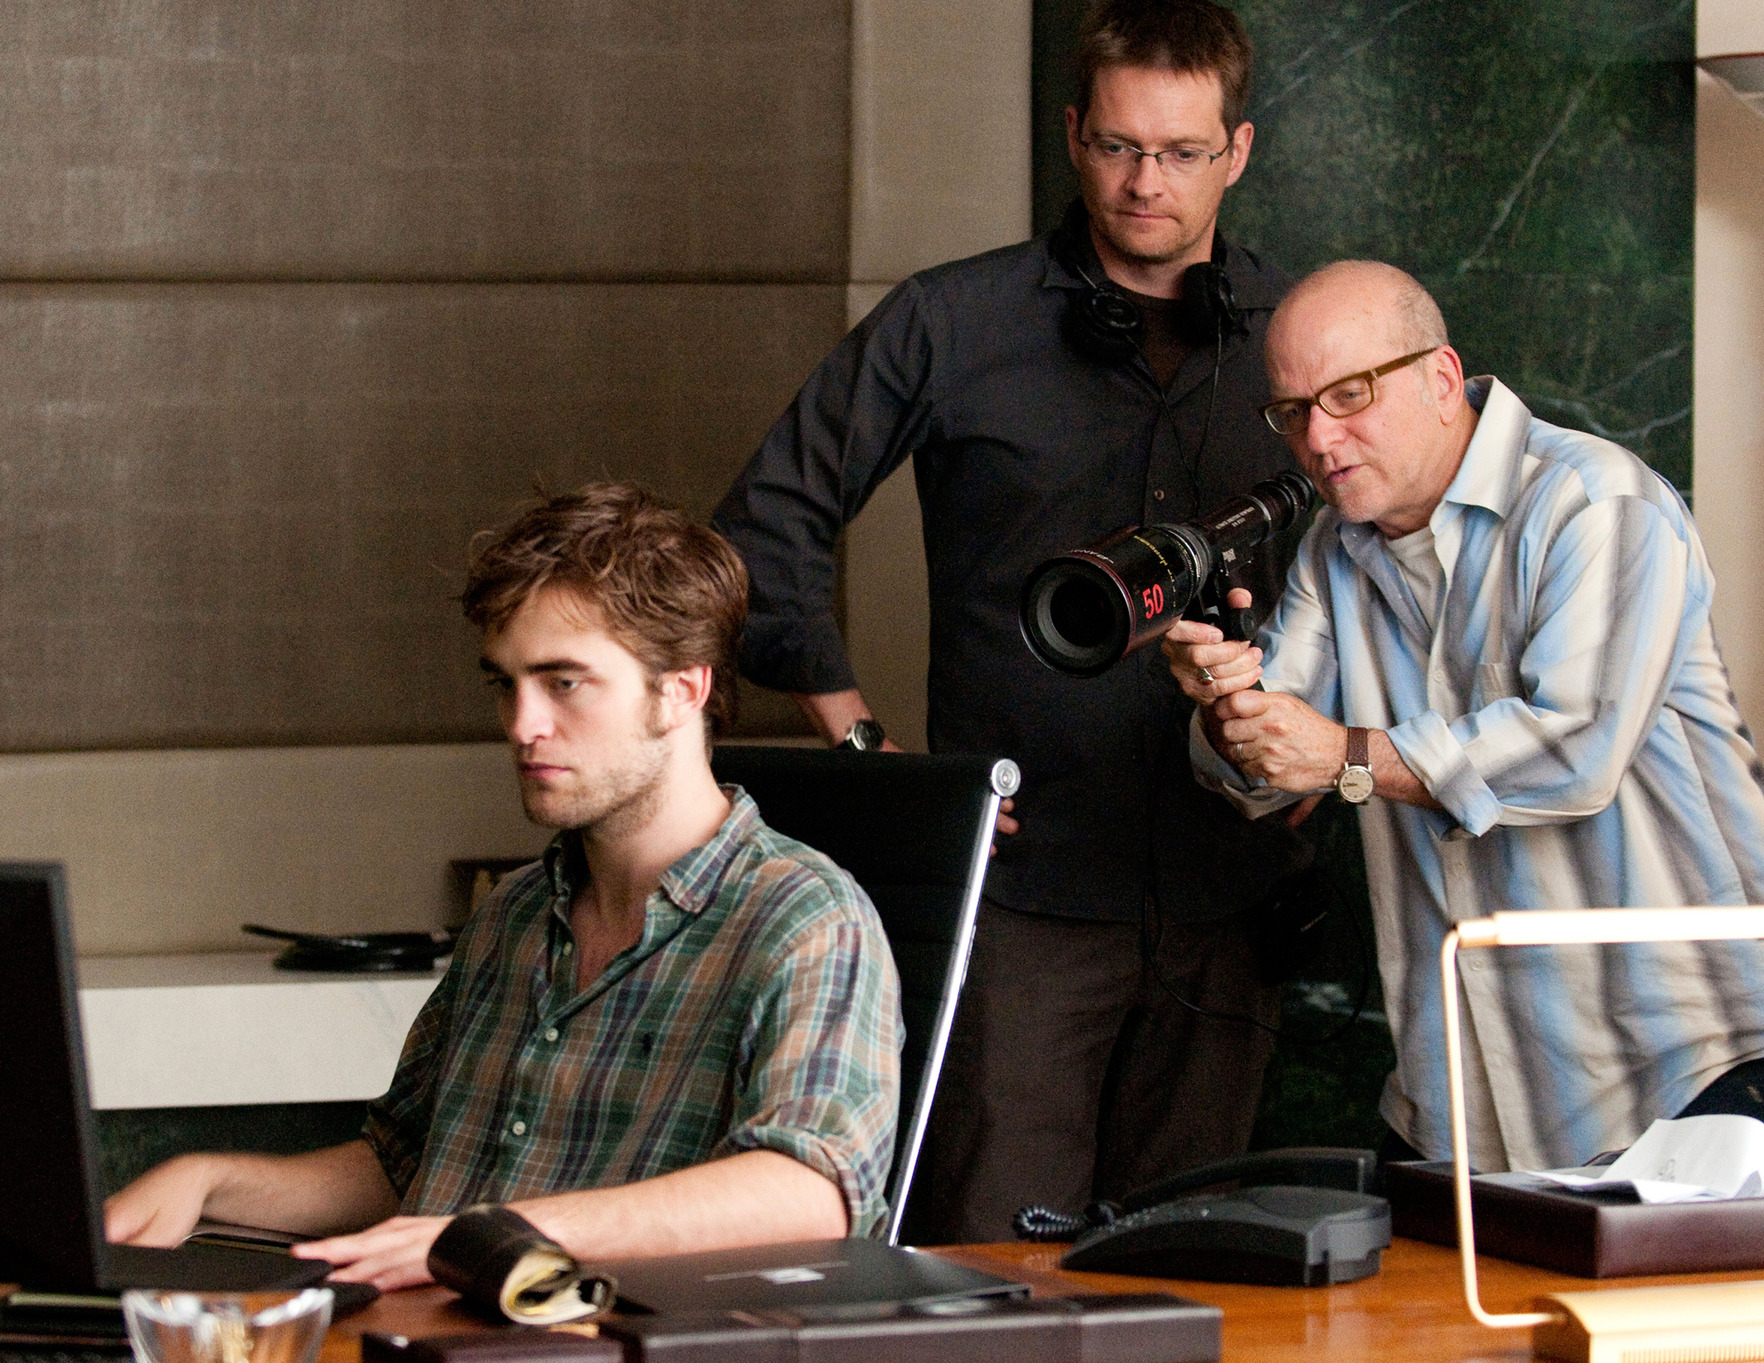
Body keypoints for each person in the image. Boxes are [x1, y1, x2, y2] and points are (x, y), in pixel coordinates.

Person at [713, 0, 1311, 1241]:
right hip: (1023, 905)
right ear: (1074, 133)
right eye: (1118, 146)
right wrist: (867, 752)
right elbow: (764, 529)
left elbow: (1394, 555)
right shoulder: (951, 321)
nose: (1146, 183)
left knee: (1200, 1276)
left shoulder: (1302, 338)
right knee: (991, 1266)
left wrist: (1338, 747)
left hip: (1233, 898)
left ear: (1239, 152)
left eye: (1183, 152)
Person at [104, 484, 903, 1289]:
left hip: (583, 1335)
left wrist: (494, 1236)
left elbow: (810, 1193)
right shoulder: (513, 914)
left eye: (564, 683)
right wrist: (209, 1180)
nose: (522, 725)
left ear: (682, 690)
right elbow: (402, 1164)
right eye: (505, 684)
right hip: (418, 1327)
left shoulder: (805, 919)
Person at [1165, 260, 1764, 1173]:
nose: (1318, 438)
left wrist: (1342, 755)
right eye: (1293, 412)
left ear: (1442, 379)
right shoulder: (1333, 547)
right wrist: (1226, 706)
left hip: (1683, 1069)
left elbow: (1576, 752)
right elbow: (1265, 770)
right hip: (1462, 1087)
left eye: (1350, 395)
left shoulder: (1597, 501)